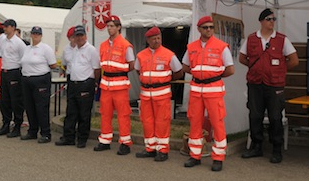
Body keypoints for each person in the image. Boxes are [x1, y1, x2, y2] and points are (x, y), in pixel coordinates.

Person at [239, 8, 298, 164]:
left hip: (274, 85)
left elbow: (294, 60)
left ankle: (276, 149)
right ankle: (256, 146)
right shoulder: (251, 39)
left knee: (275, 117)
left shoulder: (282, 39)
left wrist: (279, 70)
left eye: (273, 19)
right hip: (255, 83)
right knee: (255, 115)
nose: (272, 22)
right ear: (261, 21)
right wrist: (256, 68)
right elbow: (242, 58)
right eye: (268, 19)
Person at [182, 16, 235, 172]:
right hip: (196, 91)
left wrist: (214, 77)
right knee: (195, 123)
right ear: (199, 29)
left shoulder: (221, 47)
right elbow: (185, 66)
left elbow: (230, 69)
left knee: (217, 124)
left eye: (211, 27)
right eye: (205, 27)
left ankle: (218, 158)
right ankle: (195, 155)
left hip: (214, 91)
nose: (209, 30)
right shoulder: (191, 47)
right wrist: (199, 75)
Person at [134, 26, 183, 162]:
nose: (157, 40)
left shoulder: (169, 55)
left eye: (158, 38)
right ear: (148, 40)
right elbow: (138, 70)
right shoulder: (141, 55)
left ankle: (162, 150)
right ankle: (150, 148)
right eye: (154, 38)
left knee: (162, 122)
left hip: (162, 94)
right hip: (145, 94)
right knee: (147, 121)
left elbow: (179, 72)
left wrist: (164, 80)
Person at [95, 15, 135, 155]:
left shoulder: (125, 45)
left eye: (112, 26)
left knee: (123, 115)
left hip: (120, 85)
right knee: (105, 113)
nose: (109, 28)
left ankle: (125, 143)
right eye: (108, 26)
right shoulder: (103, 45)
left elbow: (131, 65)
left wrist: (119, 73)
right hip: (106, 84)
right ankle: (105, 140)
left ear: (119, 27)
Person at [55, 25, 100, 148]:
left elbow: (97, 69)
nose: (79, 38)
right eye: (77, 36)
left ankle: (82, 138)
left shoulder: (91, 50)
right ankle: (68, 137)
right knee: (71, 112)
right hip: (73, 84)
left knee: (84, 114)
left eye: (81, 35)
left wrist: (92, 82)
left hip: (85, 83)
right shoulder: (73, 50)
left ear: (85, 36)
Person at [20, 26, 57, 143]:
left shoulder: (45, 48)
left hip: (40, 79)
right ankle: (32, 131)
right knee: (29, 107)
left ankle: (46, 133)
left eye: (38, 34)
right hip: (26, 79)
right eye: (34, 33)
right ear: (31, 35)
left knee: (41, 108)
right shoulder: (27, 48)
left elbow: (53, 65)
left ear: (41, 36)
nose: (35, 35)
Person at [0, 19, 27, 138]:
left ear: (13, 27)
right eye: (4, 26)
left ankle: (17, 126)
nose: (5, 28)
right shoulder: (2, 39)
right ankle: (5, 124)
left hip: (14, 72)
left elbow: (24, 59)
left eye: (7, 26)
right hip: (4, 71)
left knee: (16, 101)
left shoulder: (19, 43)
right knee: (4, 101)